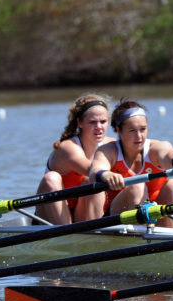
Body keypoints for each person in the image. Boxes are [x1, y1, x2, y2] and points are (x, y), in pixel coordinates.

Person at [87, 99, 173, 230]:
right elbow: (94, 172)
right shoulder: (108, 151)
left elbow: (168, 154)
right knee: (137, 186)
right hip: (118, 217)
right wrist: (106, 175)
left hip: (155, 212)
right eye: (132, 130)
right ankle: (144, 240)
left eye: (143, 129)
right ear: (118, 130)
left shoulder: (156, 147)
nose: (139, 136)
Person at [35, 94, 115, 224]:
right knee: (52, 178)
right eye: (92, 122)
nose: (99, 127)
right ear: (80, 123)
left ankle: (93, 235)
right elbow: (92, 170)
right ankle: (66, 235)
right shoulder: (68, 148)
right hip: (50, 218)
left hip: (82, 215)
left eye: (103, 122)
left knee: (90, 181)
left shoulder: (112, 145)